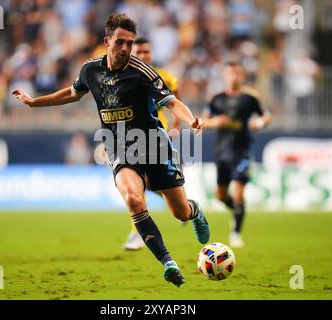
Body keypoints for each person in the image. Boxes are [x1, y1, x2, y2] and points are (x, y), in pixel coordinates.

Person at [12, 13, 209, 287]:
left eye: (129, 43)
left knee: (179, 213)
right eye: (120, 42)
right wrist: (35, 103)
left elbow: (172, 103)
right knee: (134, 200)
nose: (126, 49)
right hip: (119, 147)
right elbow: (71, 92)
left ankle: (194, 211)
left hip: (153, 145)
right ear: (107, 41)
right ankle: (168, 262)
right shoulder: (90, 70)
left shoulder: (142, 72)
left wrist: (192, 120)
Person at [203, 62, 271, 248]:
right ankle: (237, 212)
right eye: (230, 73)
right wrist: (215, 122)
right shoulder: (216, 99)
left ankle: (236, 233)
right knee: (221, 196)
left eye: (237, 74)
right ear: (225, 76)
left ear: (242, 76)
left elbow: (266, 116)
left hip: (242, 151)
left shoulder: (250, 98)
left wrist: (259, 123)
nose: (233, 77)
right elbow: (203, 121)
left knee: (239, 192)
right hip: (222, 152)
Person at [123, 36, 181, 251]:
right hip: (133, 137)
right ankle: (136, 233)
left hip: (158, 135)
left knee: (148, 184)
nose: (143, 56)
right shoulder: (122, 77)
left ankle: (180, 206)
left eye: (146, 52)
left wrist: (176, 125)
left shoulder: (164, 76)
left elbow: (176, 99)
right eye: (139, 52)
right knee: (141, 185)